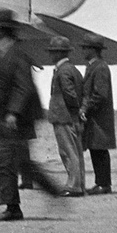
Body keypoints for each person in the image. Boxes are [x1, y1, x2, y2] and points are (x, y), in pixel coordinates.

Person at [0, 9, 59, 222]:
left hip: (15, 120)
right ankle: (53, 192)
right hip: (9, 119)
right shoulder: (4, 53)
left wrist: (13, 113)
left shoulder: (15, 54)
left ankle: (12, 208)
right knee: (21, 163)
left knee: (5, 162)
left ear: (2, 31)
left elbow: (23, 87)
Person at [45, 36, 85, 197]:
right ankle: (79, 184)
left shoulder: (63, 71)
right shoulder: (72, 69)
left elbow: (70, 94)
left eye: (53, 52)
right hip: (70, 117)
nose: (51, 55)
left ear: (58, 53)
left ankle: (73, 186)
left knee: (68, 151)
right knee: (75, 151)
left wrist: (74, 111)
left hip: (63, 117)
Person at [80, 34, 116, 194]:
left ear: (94, 50)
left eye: (86, 47)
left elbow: (100, 94)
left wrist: (85, 108)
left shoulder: (100, 67)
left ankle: (104, 184)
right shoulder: (94, 66)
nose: (83, 50)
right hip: (96, 118)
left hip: (99, 118)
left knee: (99, 150)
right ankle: (101, 183)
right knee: (97, 149)